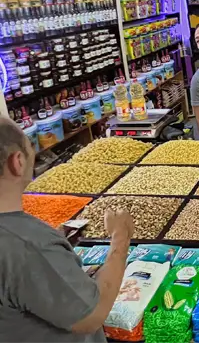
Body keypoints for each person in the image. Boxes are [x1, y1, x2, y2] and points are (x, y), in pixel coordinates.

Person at [0, 117, 134, 342]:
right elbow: (92, 314)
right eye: (30, 145)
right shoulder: (27, 245)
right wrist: (121, 235)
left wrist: (56, 246)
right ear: (18, 162)